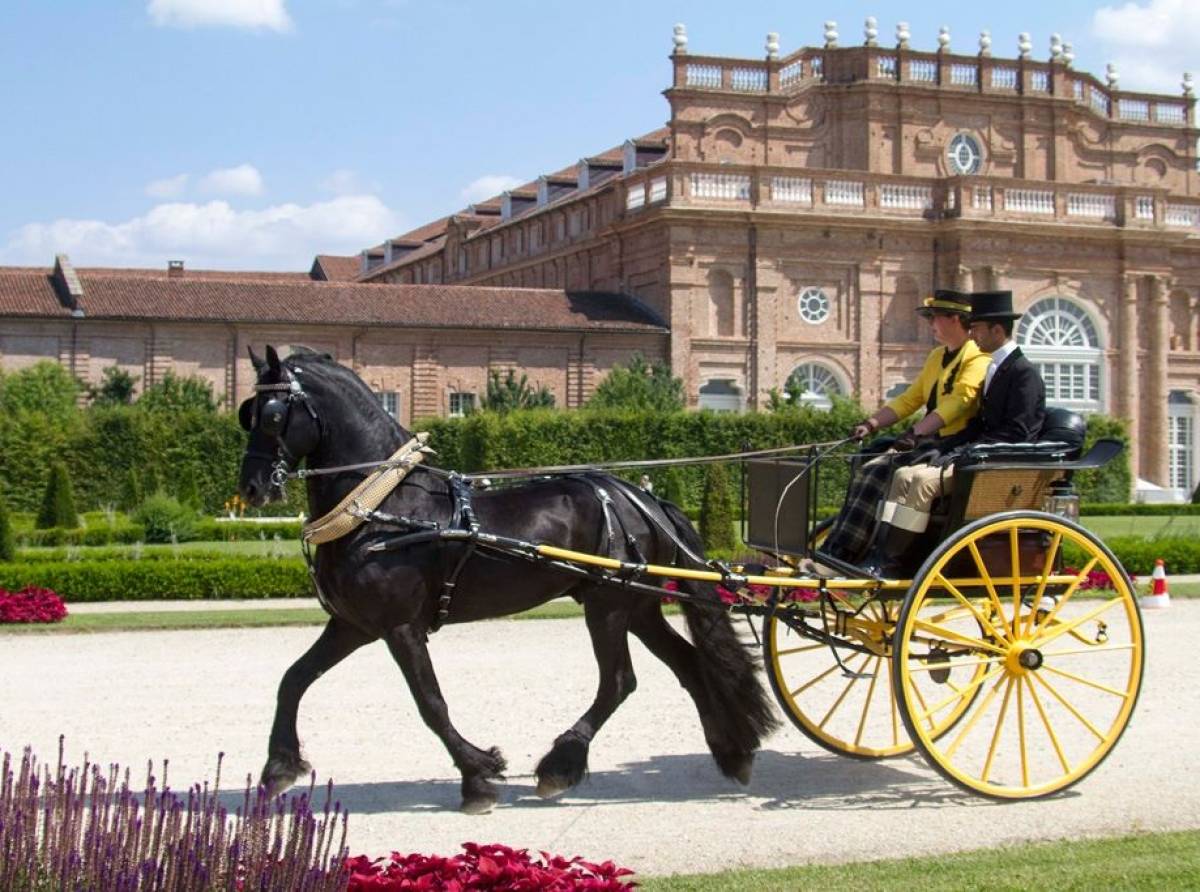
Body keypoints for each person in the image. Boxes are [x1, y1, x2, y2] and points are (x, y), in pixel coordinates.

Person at [864, 290, 1046, 574]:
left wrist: (967, 451)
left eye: (976, 328)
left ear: (997, 330)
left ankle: (895, 561)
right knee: (903, 475)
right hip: (975, 455)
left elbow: (1017, 434)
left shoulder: (1024, 374)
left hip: (996, 464)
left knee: (922, 482)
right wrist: (953, 447)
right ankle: (882, 554)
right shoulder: (996, 369)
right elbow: (979, 425)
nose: (972, 335)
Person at [812, 290, 989, 571]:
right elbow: (910, 399)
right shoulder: (937, 357)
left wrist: (915, 433)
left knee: (877, 470)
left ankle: (847, 552)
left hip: (952, 445)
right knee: (866, 462)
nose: (930, 323)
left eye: (934, 317)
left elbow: (959, 402)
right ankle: (843, 548)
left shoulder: (977, 359)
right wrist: (871, 424)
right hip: (931, 441)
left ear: (955, 319)